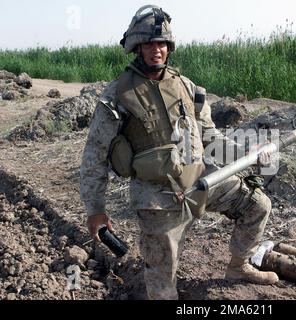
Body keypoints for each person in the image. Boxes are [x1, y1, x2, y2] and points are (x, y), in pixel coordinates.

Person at [80, 5, 278, 300]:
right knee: (162, 284)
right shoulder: (117, 95)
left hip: (201, 181)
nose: (155, 50)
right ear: (137, 47)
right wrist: (95, 209)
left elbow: (211, 137)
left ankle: (239, 266)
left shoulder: (188, 87)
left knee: (257, 204)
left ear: (169, 46)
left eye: (161, 43)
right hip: (156, 197)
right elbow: (94, 155)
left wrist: (247, 153)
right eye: (148, 43)